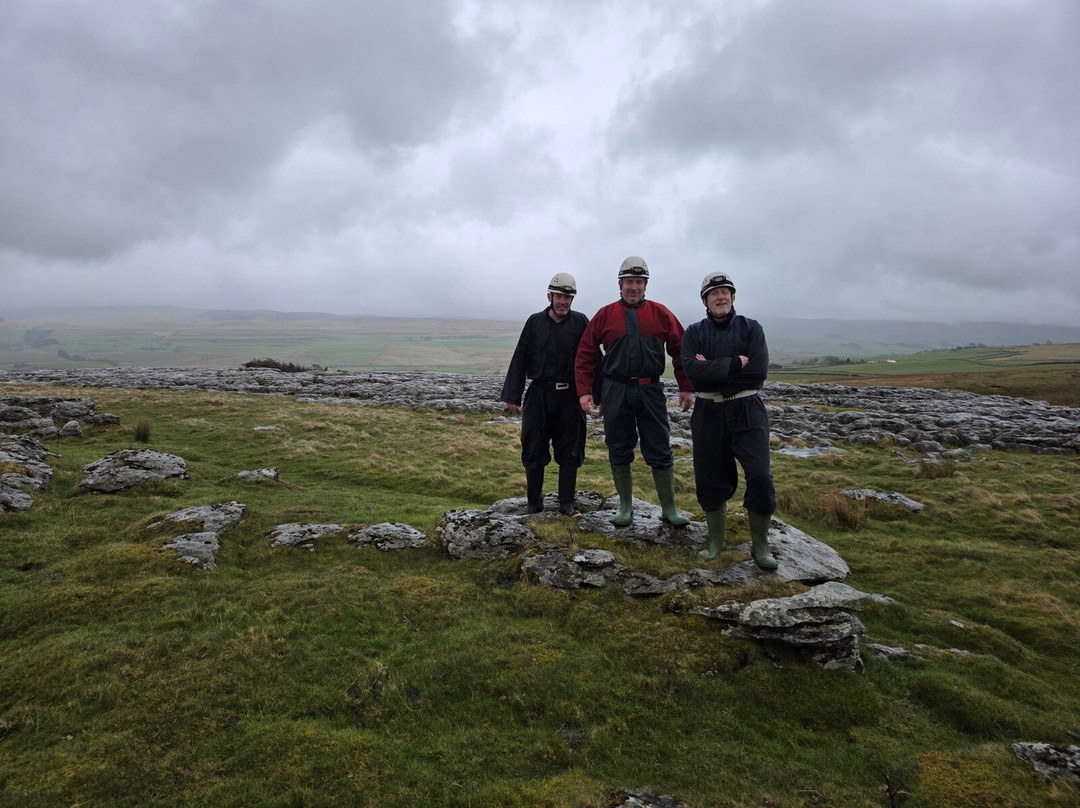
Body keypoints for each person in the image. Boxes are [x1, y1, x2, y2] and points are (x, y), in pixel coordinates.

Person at [575, 256, 693, 527]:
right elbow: (585, 354)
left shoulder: (661, 313)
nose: (634, 287)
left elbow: (680, 350)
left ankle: (669, 509)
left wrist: (686, 386)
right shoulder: (604, 315)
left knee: (660, 448)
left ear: (645, 284)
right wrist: (585, 391)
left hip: (650, 390)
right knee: (618, 446)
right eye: (629, 282)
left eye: (639, 282)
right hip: (615, 391)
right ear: (620, 284)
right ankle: (625, 507)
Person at [681, 271, 778, 569]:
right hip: (707, 413)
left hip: (748, 409)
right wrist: (735, 363)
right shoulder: (694, 332)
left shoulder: (751, 328)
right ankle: (716, 542)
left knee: (760, 476)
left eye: (725, 292)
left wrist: (711, 368)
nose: (720, 297)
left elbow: (758, 371)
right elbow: (690, 372)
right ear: (705, 301)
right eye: (714, 294)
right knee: (709, 479)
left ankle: (760, 547)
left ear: (733, 297)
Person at [500, 272, 590, 515]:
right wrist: (513, 394)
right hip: (538, 394)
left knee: (570, 450)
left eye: (568, 297)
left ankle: (567, 504)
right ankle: (533, 504)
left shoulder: (581, 322)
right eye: (560, 296)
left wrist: (595, 394)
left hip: (570, 397)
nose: (564, 301)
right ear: (550, 296)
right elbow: (520, 356)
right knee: (533, 448)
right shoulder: (534, 322)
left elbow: (591, 360)